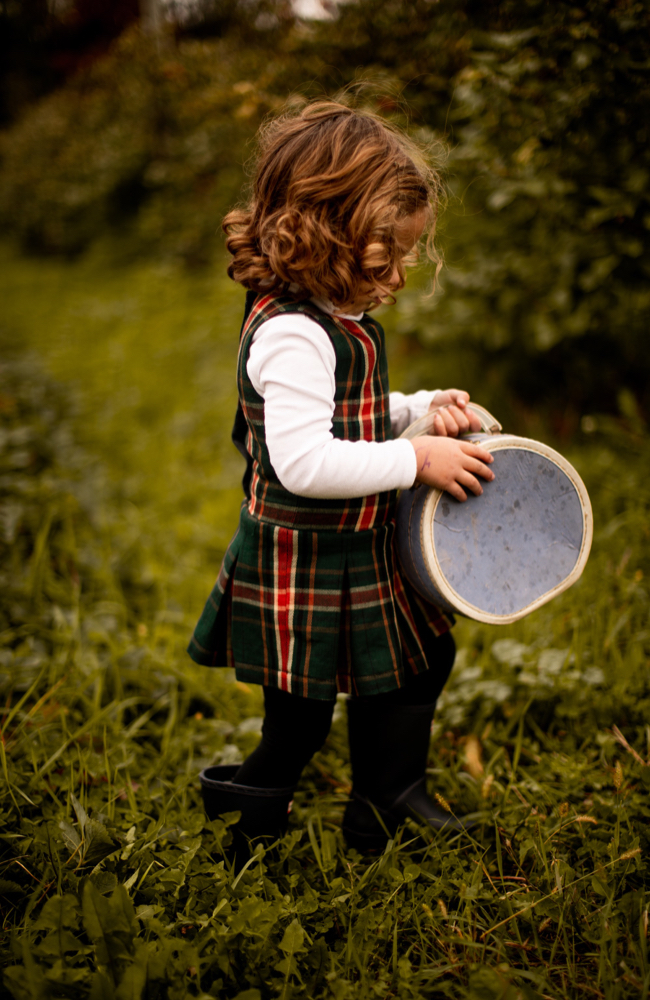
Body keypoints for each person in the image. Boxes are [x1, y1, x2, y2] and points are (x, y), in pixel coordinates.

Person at [188, 100, 495, 858]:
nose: (394, 277)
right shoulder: (293, 331)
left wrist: (420, 411)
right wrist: (417, 460)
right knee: (299, 712)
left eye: (403, 258)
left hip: (356, 552)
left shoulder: (334, 317)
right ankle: (247, 808)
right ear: (319, 233)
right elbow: (305, 461)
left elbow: (349, 415)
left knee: (420, 659)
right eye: (380, 258)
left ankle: (387, 801)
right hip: (304, 559)